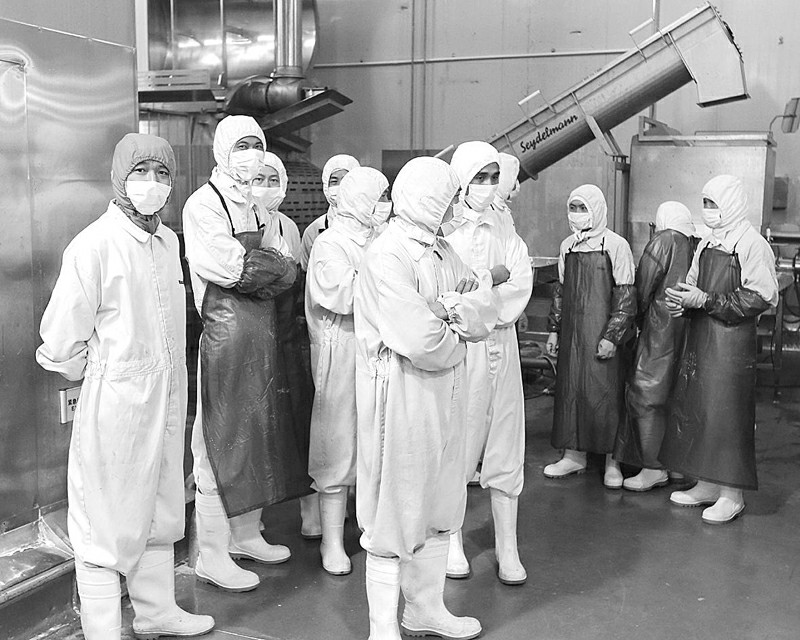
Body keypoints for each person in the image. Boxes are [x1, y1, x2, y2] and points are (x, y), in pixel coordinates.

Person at [36, 133, 214, 639]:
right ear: (119, 177)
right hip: (115, 404)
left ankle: (157, 612)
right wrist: (100, 372)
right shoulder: (93, 245)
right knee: (105, 522)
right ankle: (103, 631)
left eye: (163, 173)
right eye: (141, 172)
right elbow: (60, 341)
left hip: (166, 397)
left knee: (159, 508)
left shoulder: (167, 242)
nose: (153, 183)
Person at [354, 156, 497, 640]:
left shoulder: (441, 251)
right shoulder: (387, 254)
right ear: (429, 198)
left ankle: (425, 609)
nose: (456, 206)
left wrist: (447, 309)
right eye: (451, 197)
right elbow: (419, 340)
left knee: (440, 502)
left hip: (444, 393)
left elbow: (484, 309)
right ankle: (381, 628)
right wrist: (455, 327)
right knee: (395, 511)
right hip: (401, 396)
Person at [183, 116, 306, 592]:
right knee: (220, 442)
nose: (251, 154)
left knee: (258, 436)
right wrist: (269, 268)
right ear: (222, 150)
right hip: (226, 337)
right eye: (242, 146)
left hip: (262, 332)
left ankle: (246, 535)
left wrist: (268, 267)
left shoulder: (256, 208)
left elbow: (287, 266)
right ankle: (212, 555)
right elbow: (231, 270)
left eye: (257, 144)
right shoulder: (203, 204)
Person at [662, 175, 778, 524]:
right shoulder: (707, 242)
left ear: (732, 203)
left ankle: (732, 495)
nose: (708, 210)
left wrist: (707, 301)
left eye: (713, 203)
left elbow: (761, 296)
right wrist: (683, 302)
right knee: (702, 410)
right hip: (702, 339)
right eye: (705, 203)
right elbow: (694, 284)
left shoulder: (751, 243)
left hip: (732, 345)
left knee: (728, 416)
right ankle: (708, 483)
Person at [445, 142, 533, 585]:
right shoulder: (447, 232)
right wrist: (489, 284)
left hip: (504, 343)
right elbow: (448, 294)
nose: (488, 186)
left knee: (506, 437)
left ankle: (507, 546)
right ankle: (450, 538)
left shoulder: (505, 229)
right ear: (461, 180)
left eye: (494, 177)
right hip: (464, 349)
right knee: (460, 439)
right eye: (479, 177)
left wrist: (483, 294)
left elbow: (520, 280)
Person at [305, 166, 390, 576]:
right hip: (340, 352)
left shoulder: (381, 237)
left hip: (377, 349)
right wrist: (387, 285)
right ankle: (332, 541)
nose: (385, 204)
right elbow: (344, 295)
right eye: (380, 196)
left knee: (375, 440)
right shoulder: (330, 244)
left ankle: (370, 530)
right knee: (336, 443)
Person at [544, 184, 636, 488]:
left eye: (583, 208)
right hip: (573, 337)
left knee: (606, 397)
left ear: (597, 209)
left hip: (602, 335)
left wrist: (612, 335)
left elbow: (625, 295)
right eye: (573, 207)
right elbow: (560, 293)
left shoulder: (616, 245)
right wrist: (554, 330)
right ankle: (574, 455)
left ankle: (613, 463)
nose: (577, 214)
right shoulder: (567, 246)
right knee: (571, 392)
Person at [252, 154, 320, 540]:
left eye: (272, 179)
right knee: (255, 429)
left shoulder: (289, 227)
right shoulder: (238, 221)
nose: (265, 187)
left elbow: (293, 279)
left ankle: (308, 511)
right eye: (258, 179)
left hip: (285, 331)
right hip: (251, 332)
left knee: (295, 423)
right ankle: (249, 518)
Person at [614, 202, 697, 491]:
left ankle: (652, 468)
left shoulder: (663, 240)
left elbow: (645, 283)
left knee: (646, 393)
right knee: (674, 397)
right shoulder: (692, 244)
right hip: (685, 327)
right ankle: (675, 468)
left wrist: (636, 318)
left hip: (660, 328)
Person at [300, 154, 361, 271]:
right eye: (334, 181)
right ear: (326, 186)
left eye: (347, 180)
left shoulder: (375, 228)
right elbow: (306, 272)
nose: (341, 186)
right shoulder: (313, 231)